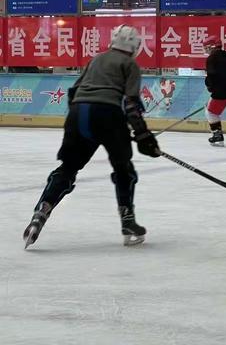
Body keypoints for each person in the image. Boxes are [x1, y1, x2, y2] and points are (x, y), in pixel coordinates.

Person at [23, 25, 161, 249]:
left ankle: (42, 210)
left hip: (78, 114)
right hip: (108, 114)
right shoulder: (130, 65)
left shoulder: (96, 59)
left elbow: (73, 92)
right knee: (123, 169)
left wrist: (80, 120)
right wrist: (143, 134)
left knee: (68, 168)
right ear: (135, 47)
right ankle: (127, 221)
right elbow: (131, 103)